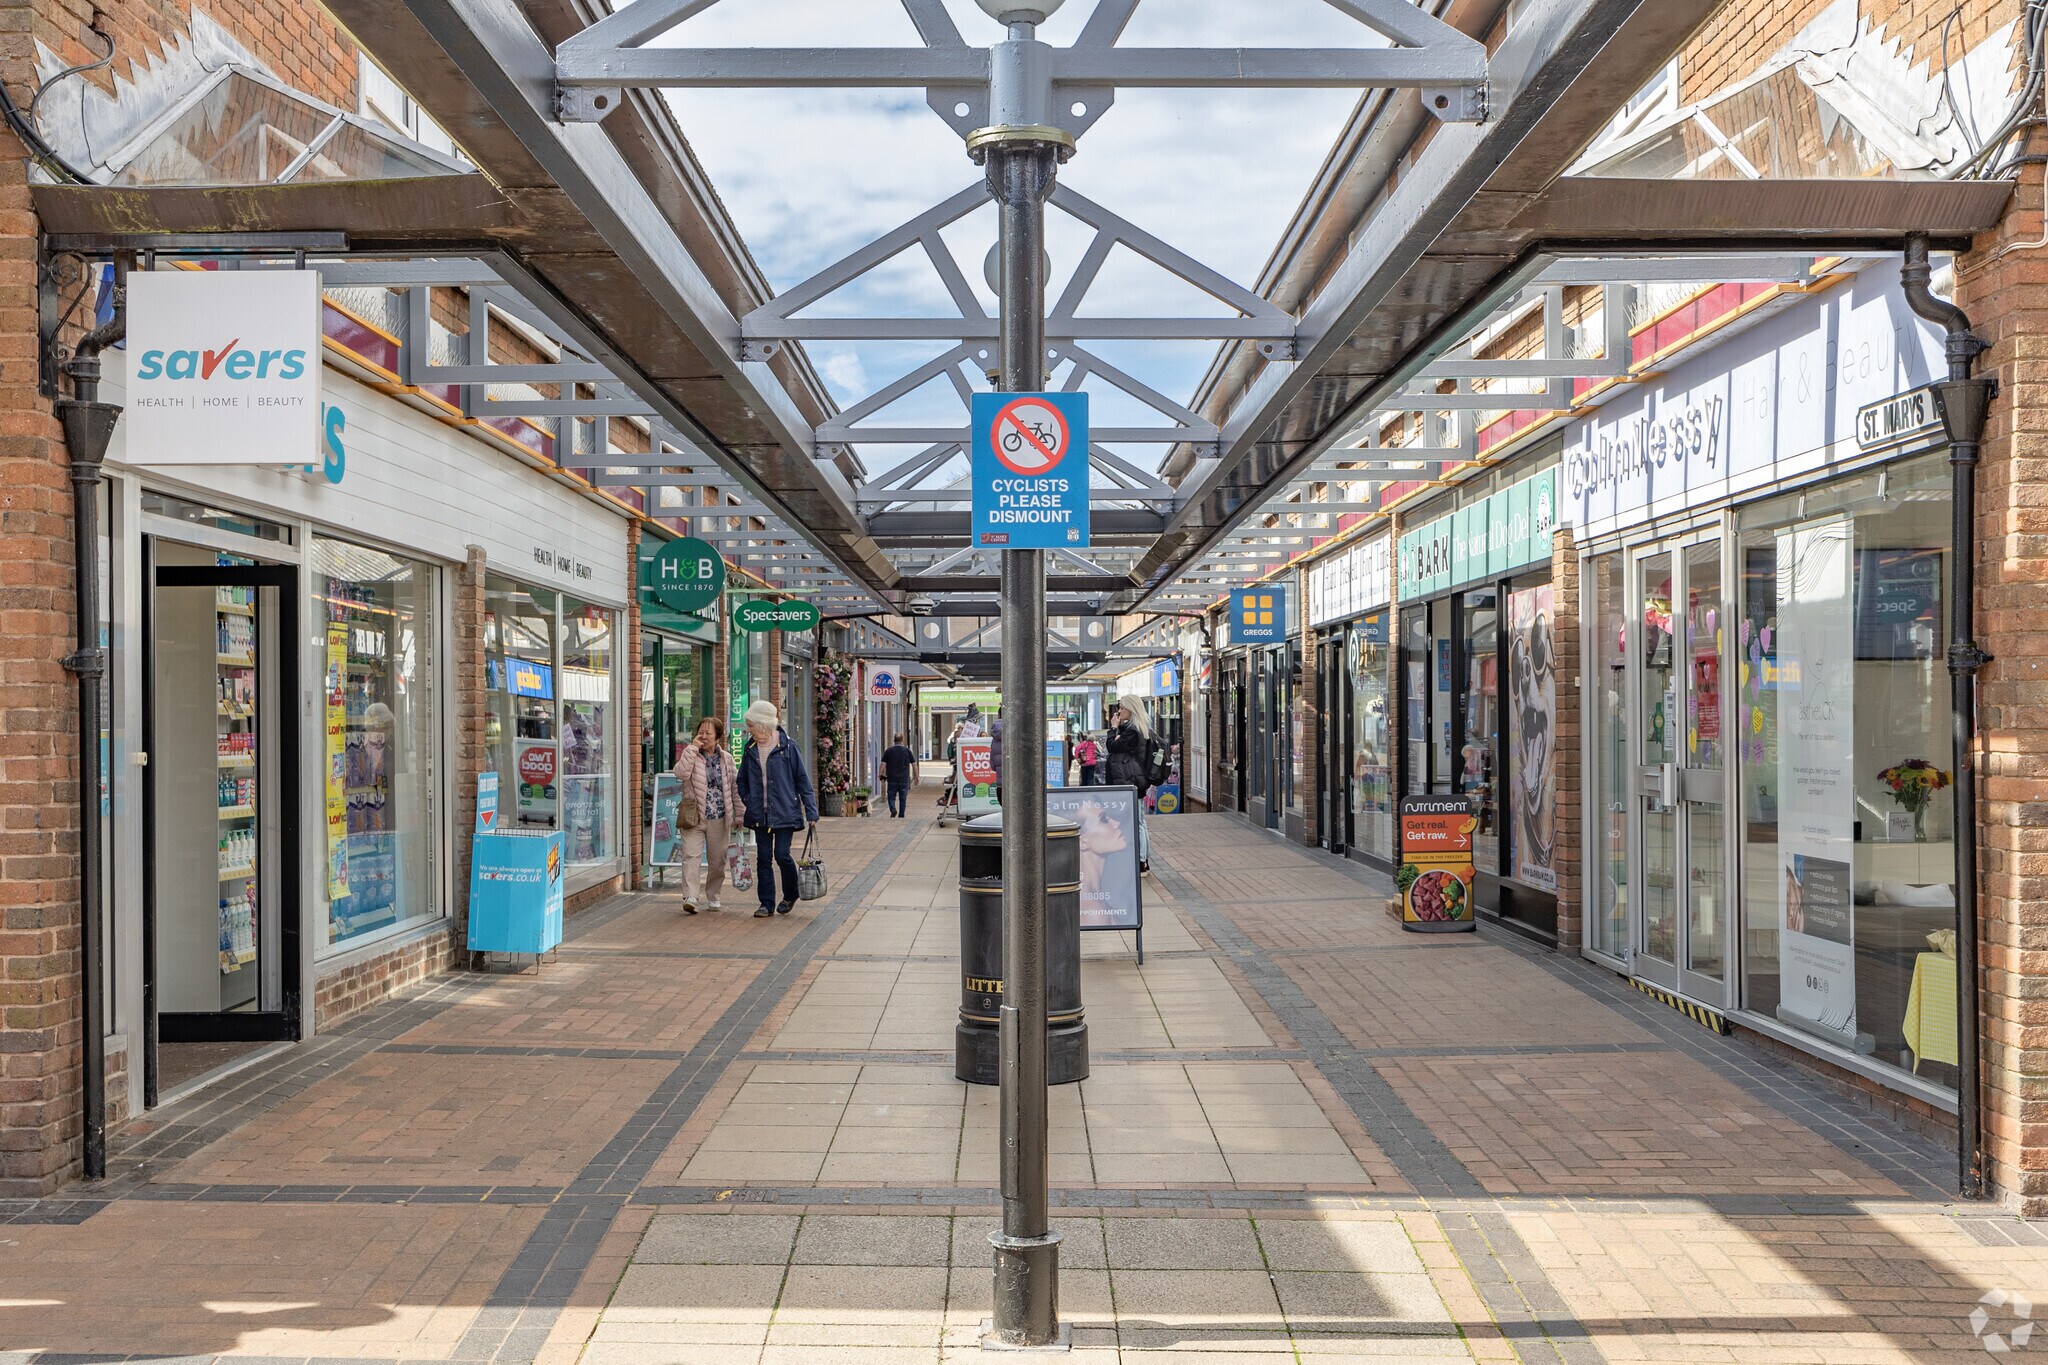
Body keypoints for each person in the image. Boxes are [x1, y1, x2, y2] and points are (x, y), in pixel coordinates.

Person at [737, 700, 818, 917]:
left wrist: (811, 810)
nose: (748, 730)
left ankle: (791, 894)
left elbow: (802, 779)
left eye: (751, 725)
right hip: (759, 813)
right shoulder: (750, 748)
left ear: (763, 725)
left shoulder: (788, 747)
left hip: (784, 811)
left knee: (782, 855)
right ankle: (766, 904)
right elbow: (741, 779)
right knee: (763, 858)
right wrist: (749, 799)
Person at [673, 716, 744, 914]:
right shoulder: (691, 754)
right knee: (690, 856)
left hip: (719, 817)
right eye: (700, 732)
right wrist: (692, 748)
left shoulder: (727, 759)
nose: (703, 736)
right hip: (693, 817)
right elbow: (680, 773)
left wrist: (740, 814)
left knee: (718, 861)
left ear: (718, 737)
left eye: (708, 733)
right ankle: (691, 896)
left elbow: (735, 788)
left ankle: (713, 895)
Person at [1106, 694, 1157, 873]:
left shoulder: (1133, 731)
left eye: (1122, 708)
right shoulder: (1136, 729)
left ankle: (1142, 861)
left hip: (1131, 781)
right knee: (1139, 821)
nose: (1119, 711)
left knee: (1137, 822)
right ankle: (1143, 859)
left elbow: (1112, 746)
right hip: (1133, 780)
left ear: (1131, 709)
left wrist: (1113, 728)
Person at [879, 732, 916, 818]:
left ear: (894, 740)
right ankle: (901, 815)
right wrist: (916, 776)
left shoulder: (889, 751)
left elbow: (883, 764)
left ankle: (892, 809)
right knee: (903, 798)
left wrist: (880, 774)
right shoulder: (907, 751)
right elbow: (914, 765)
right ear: (903, 740)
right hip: (904, 779)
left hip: (892, 778)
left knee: (891, 796)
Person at [989, 709, 1004, 802]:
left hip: (1001, 785)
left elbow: (993, 766)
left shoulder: (994, 739)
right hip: (1017, 784)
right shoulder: (1018, 730)